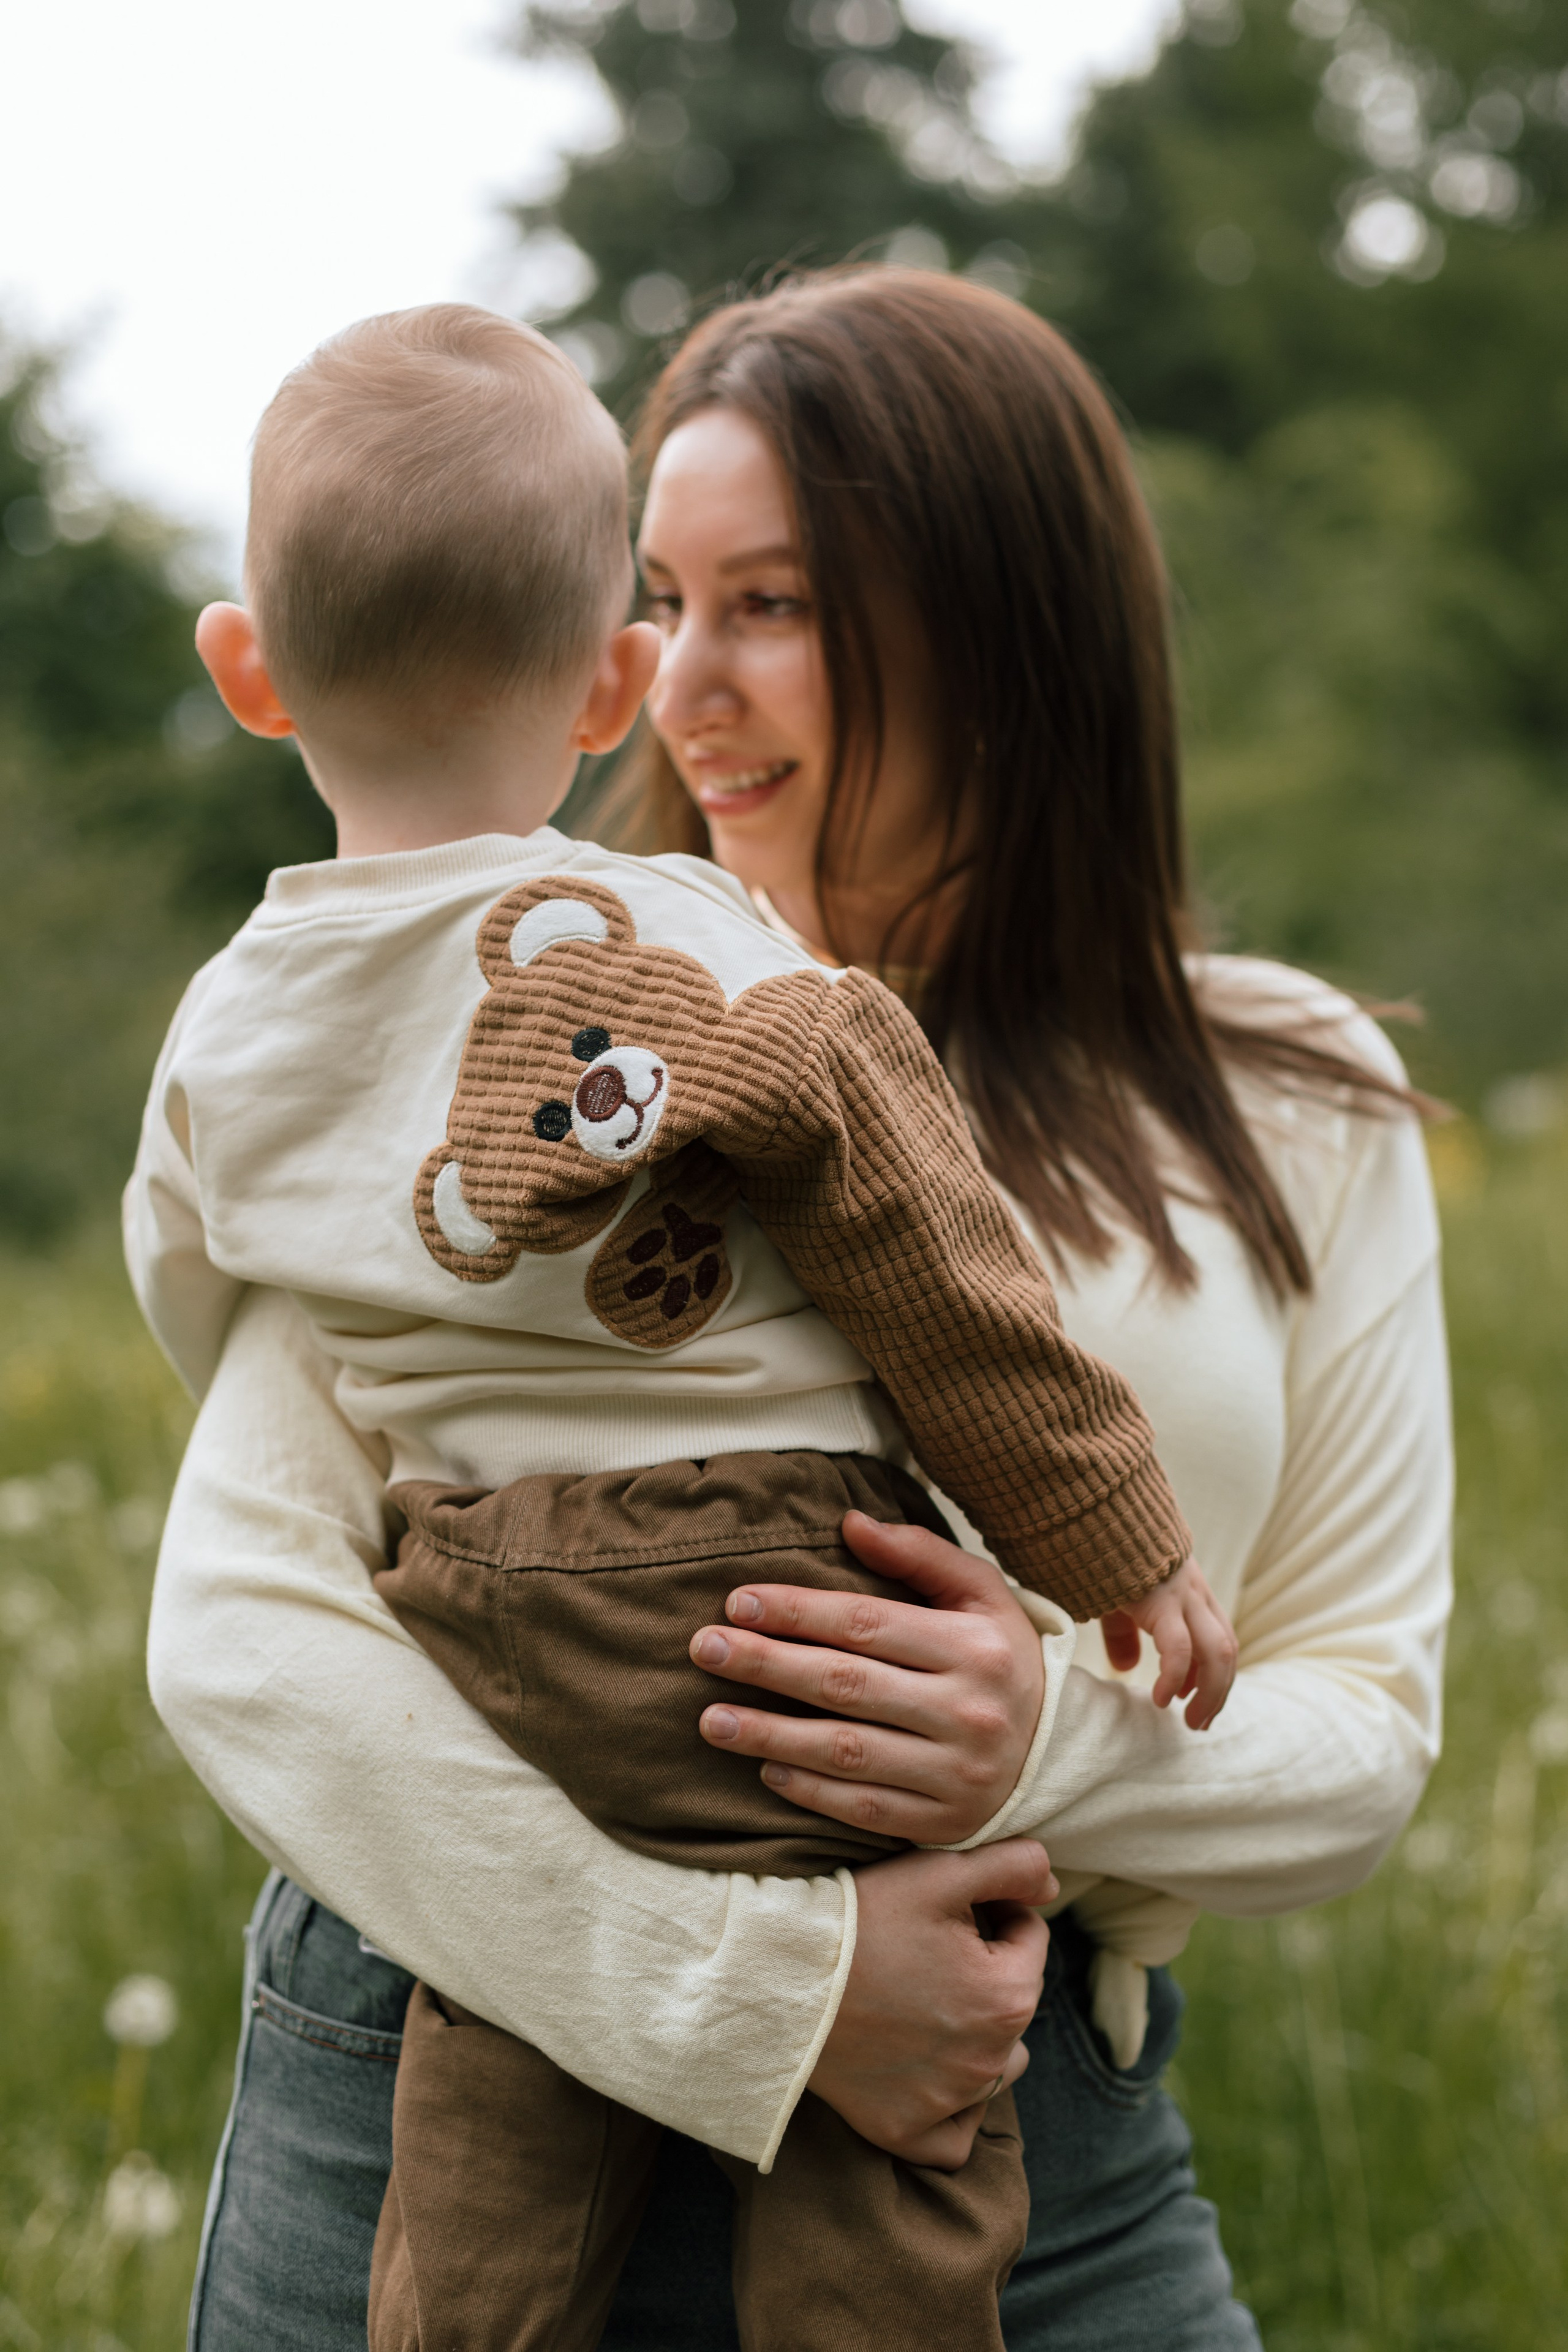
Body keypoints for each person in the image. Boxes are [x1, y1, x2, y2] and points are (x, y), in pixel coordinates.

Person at [146, 268, 1450, 2352]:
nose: (684, 689)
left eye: (775, 605)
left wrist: (1046, 1740)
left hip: (1018, 2131)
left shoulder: (1292, 1100)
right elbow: (247, 1631)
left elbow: (1363, 1734)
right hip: (448, 2070)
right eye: (659, 602)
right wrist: (756, 1997)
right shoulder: (483, 1018)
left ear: (1006, 626)